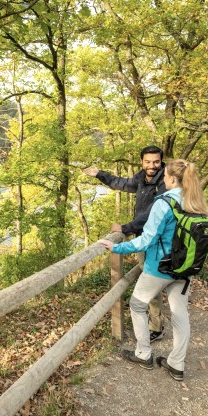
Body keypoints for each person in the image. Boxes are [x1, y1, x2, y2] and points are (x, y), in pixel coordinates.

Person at [99, 159, 208, 381]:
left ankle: (143, 354)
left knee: (137, 305)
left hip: (159, 268)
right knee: (180, 314)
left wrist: (116, 247)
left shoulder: (164, 203)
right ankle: (176, 365)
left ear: (170, 178)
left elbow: (146, 240)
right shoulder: (195, 200)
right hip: (185, 269)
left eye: (165, 175)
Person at [84, 146, 167, 342]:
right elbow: (122, 183)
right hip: (143, 237)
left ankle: (156, 327)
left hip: (155, 240)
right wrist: (99, 174)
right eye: (148, 162)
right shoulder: (142, 178)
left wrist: (125, 228)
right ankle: (156, 323)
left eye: (156, 162)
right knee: (151, 279)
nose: (152, 165)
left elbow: (151, 213)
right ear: (142, 162)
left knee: (151, 281)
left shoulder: (164, 182)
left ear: (161, 161)